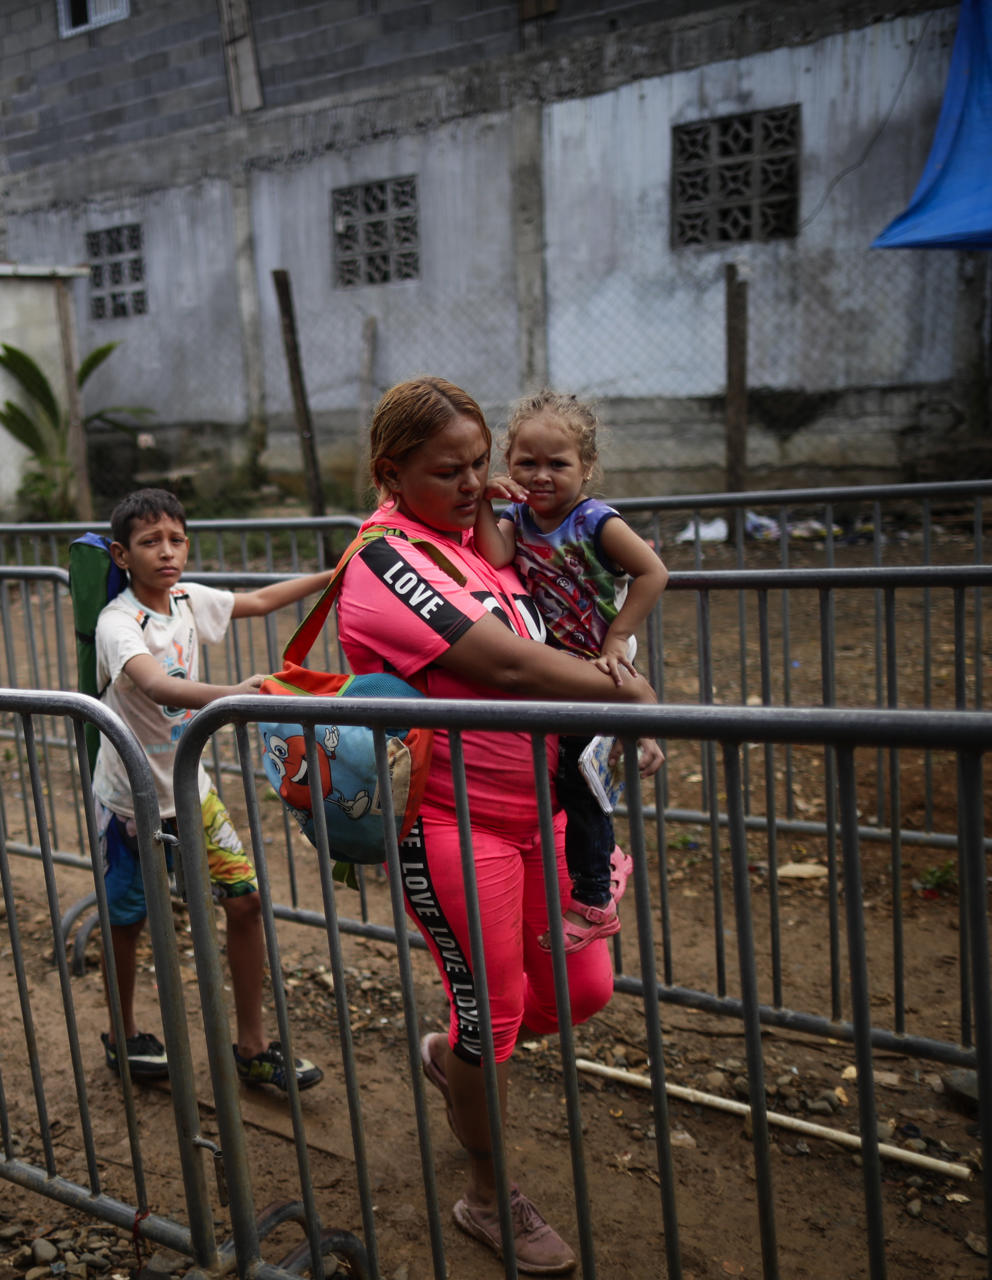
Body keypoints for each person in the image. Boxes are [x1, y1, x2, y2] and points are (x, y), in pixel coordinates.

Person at [333, 377, 664, 1273]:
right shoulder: (387, 556)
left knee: (583, 988)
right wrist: (627, 695)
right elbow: (509, 667)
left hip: (542, 810)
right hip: (454, 823)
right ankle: (488, 1194)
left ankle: (453, 1057)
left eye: (483, 462)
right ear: (390, 473)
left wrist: (614, 665)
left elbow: (566, 617)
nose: (477, 482)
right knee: (498, 1014)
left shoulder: (479, 542)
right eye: (451, 471)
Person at [92, 487, 334, 1091]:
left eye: (176, 539)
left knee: (245, 902)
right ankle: (124, 1038)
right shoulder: (118, 622)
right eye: (150, 542)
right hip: (130, 801)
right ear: (122, 554)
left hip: (188, 787)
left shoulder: (186, 599)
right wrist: (236, 693)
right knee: (127, 920)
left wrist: (333, 575)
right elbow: (157, 687)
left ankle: (251, 1047)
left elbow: (259, 600)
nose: (166, 552)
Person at [471, 390, 670, 953]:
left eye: (557, 464)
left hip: (600, 665)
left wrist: (618, 636)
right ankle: (606, 853)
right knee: (572, 777)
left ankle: (595, 901)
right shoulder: (519, 520)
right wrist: (487, 500)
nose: (540, 476)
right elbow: (495, 557)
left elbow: (653, 573)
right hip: (559, 671)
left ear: (586, 468)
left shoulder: (595, 521)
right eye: (525, 463)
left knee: (581, 786)